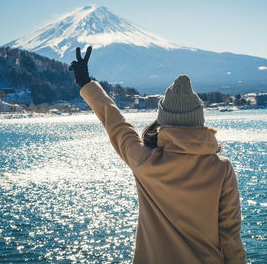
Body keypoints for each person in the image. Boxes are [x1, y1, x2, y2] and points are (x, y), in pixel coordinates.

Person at [69, 46, 246, 264]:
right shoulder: (222, 169)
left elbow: (116, 124)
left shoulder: (144, 161)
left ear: (163, 122)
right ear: (199, 122)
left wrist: (86, 82)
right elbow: (230, 237)